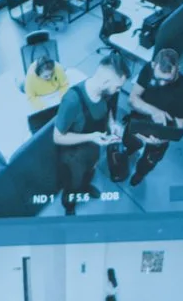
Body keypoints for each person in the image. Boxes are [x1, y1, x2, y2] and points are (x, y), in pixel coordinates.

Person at [52, 56, 128, 214]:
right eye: (118, 87)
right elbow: (57, 137)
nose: (119, 90)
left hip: (93, 148)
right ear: (106, 82)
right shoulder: (72, 100)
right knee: (72, 184)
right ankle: (70, 206)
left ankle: (85, 187)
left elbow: (108, 112)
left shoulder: (107, 93)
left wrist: (112, 124)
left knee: (89, 173)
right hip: (73, 155)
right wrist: (90, 137)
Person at [112, 47, 183, 190]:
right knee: (129, 142)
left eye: (168, 80)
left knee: (150, 161)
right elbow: (132, 99)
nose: (162, 83)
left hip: (162, 131)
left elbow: (179, 125)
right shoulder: (148, 69)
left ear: (178, 69)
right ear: (153, 65)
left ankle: (139, 174)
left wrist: (161, 140)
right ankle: (130, 150)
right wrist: (154, 111)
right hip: (138, 121)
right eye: (159, 78)